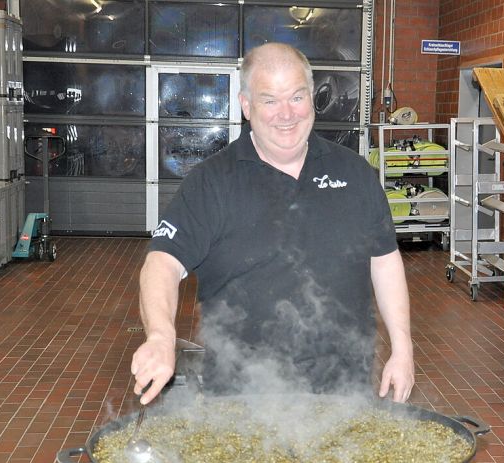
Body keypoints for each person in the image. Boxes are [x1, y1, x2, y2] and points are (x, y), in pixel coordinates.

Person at [130, 43, 414, 405]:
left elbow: (385, 261)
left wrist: (402, 349)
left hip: (345, 390)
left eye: (297, 97)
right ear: (246, 105)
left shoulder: (355, 173)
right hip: (241, 394)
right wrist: (159, 336)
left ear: (312, 97)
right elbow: (162, 264)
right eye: (269, 100)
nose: (286, 114)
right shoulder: (211, 182)